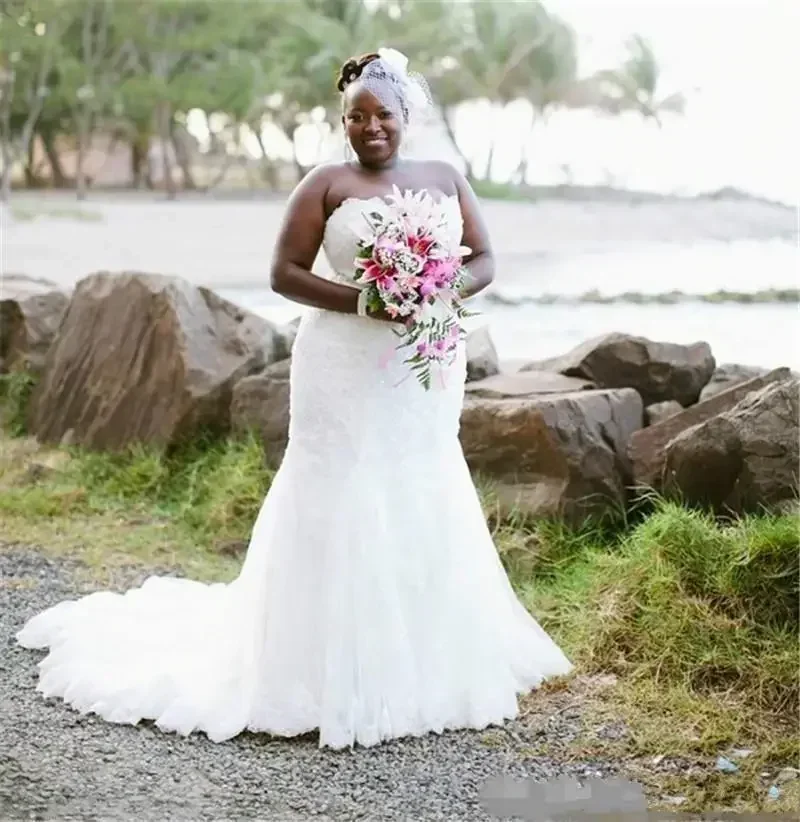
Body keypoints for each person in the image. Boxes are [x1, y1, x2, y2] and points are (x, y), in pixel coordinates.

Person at [16, 48, 573, 751]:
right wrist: (370, 301)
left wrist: (436, 291)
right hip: (342, 363)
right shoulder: (324, 183)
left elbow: (485, 261)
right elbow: (282, 273)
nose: (370, 128)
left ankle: (425, 652)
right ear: (343, 121)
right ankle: (312, 663)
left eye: (383, 115)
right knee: (338, 482)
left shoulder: (445, 178)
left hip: (422, 364)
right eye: (356, 116)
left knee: (417, 476)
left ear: (409, 117)